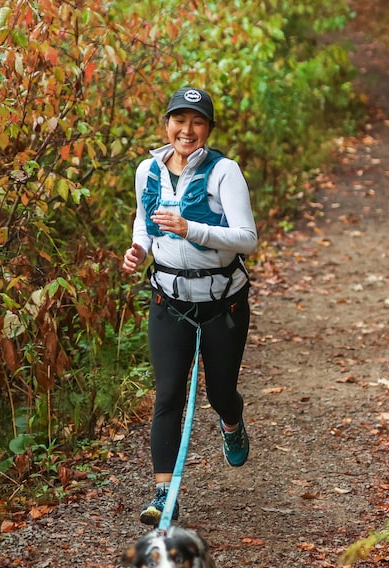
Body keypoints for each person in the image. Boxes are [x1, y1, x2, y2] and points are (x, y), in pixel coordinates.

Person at [122, 87, 258, 526]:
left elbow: (247, 239)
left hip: (222, 301)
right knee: (168, 395)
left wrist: (191, 228)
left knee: (220, 392)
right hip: (169, 298)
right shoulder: (148, 170)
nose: (187, 130)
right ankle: (165, 495)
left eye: (197, 122)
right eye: (179, 120)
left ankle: (232, 423)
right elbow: (145, 222)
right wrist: (138, 249)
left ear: (208, 129)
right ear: (167, 125)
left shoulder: (225, 172)